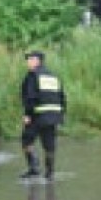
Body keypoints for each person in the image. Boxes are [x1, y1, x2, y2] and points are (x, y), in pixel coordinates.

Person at [20, 51, 66, 181]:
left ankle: (34, 168)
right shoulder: (53, 76)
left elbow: (31, 97)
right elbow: (62, 97)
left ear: (37, 60)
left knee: (26, 140)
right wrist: (61, 115)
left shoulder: (32, 76)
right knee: (49, 144)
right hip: (52, 116)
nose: (28, 62)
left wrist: (27, 114)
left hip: (37, 115)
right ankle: (50, 172)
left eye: (30, 59)